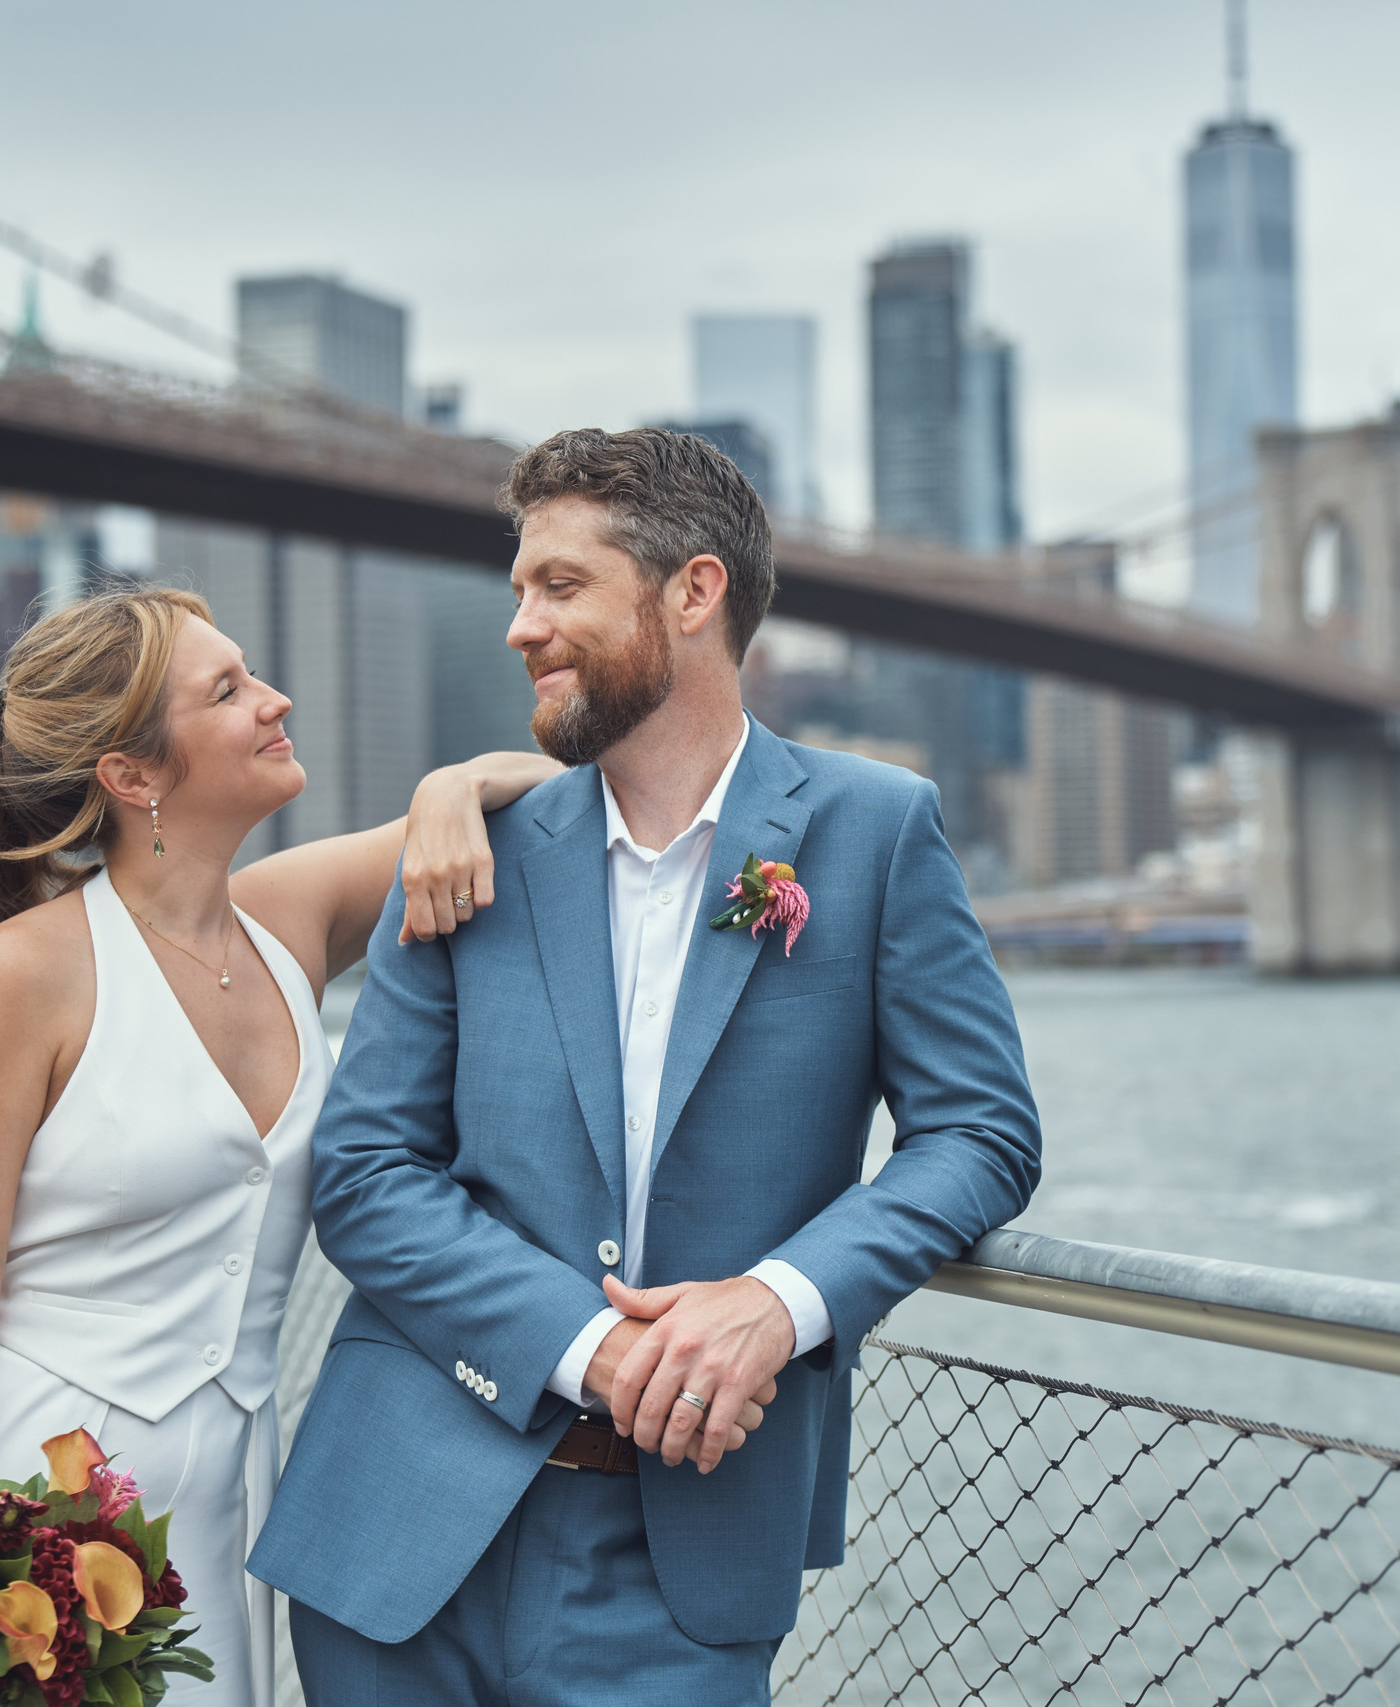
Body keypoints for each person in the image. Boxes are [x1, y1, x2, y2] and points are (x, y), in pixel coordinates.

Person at [253, 428, 1043, 1706]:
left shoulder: (876, 831)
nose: (519, 625)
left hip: (686, 1569)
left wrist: (778, 1304)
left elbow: (983, 1135)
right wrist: (591, 1350)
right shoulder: (470, 845)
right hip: (398, 1538)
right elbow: (363, 1172)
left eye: (559, 586)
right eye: (518, 589)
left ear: (692, 592)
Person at [0, 586, 559, 1707]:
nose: (276, 700)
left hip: (217, 1512)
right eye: (229, 691)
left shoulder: (289, 921)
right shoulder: (21, 977)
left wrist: (450, 787)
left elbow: (555, 794)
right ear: (134, 776)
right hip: (24, 1496)